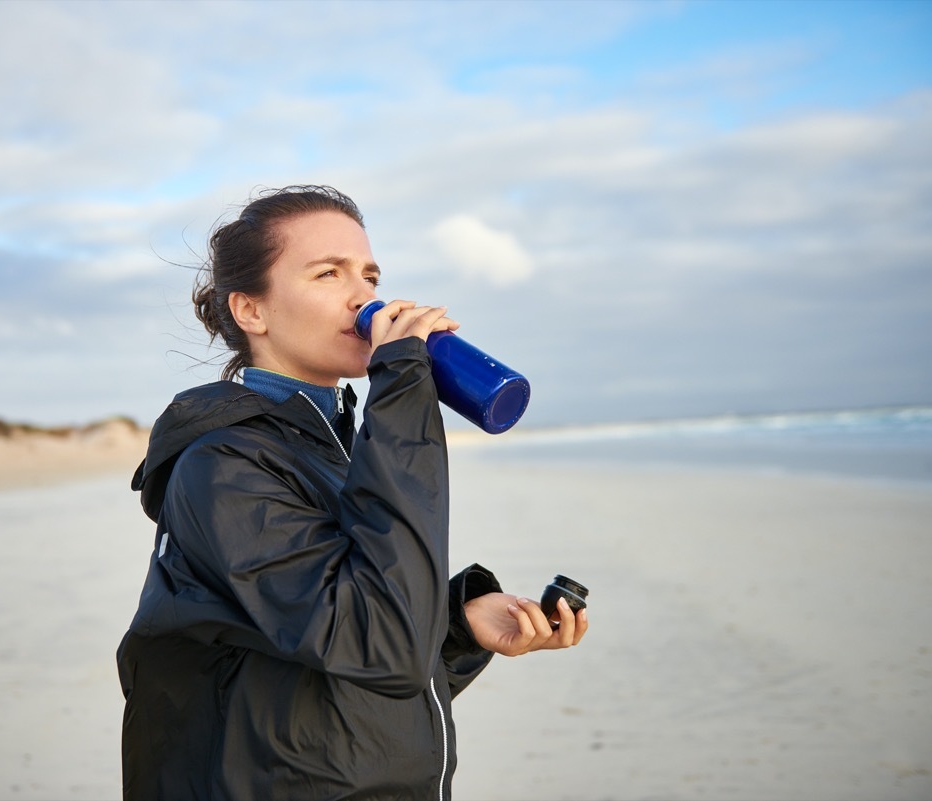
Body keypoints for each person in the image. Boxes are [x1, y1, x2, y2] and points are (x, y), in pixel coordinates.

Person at [117, 185, 588, 800]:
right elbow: (376, 643)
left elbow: (337, 676)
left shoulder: (335, 446)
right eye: (327, 274)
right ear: (252, 311)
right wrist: (402, 395)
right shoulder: (223, 464)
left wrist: (455, 629)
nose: (365, 297)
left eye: (369, 275)